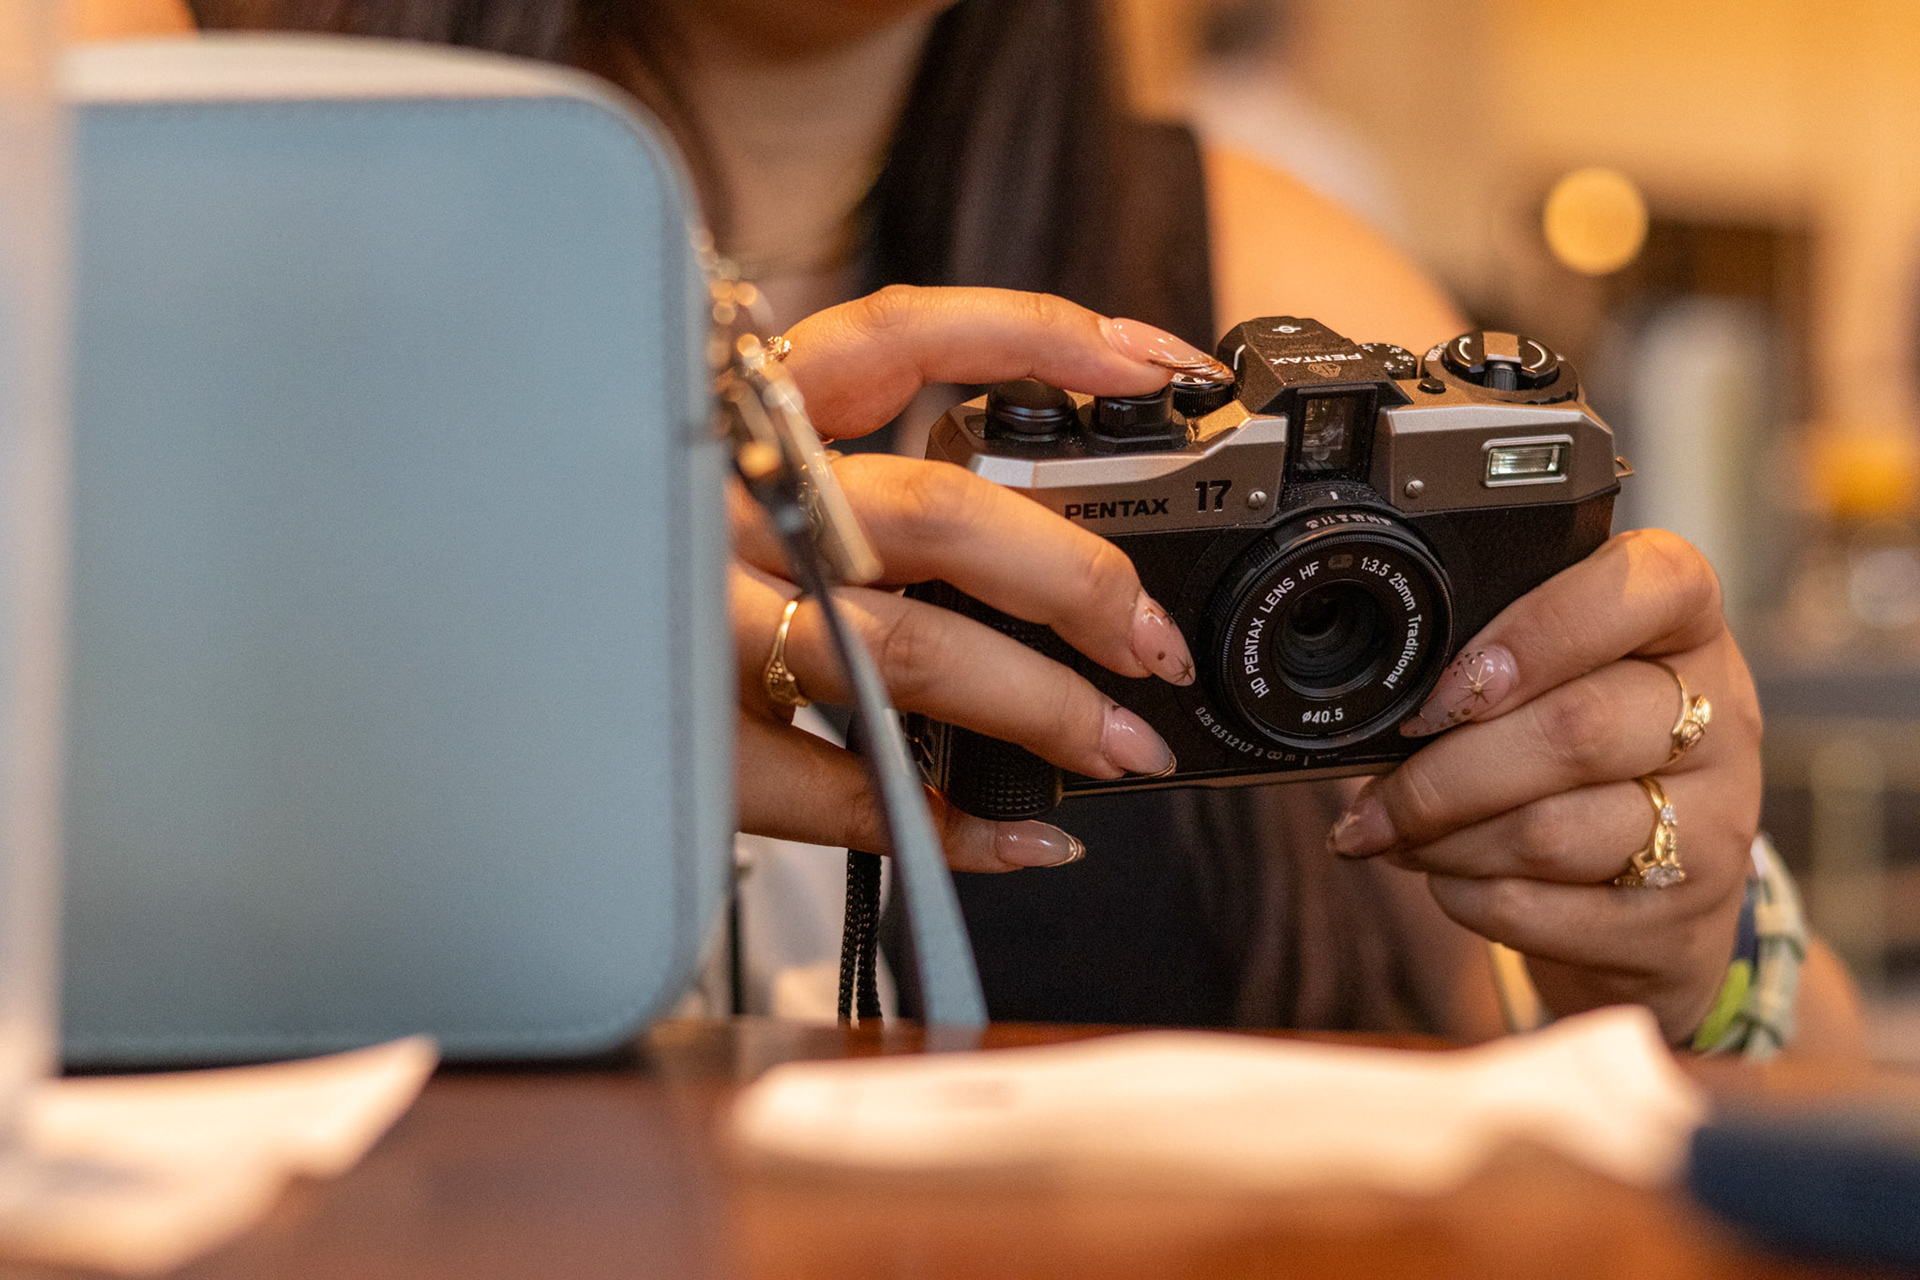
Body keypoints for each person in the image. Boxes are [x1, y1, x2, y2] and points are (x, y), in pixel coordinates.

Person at [85, 0, 1864, 1053]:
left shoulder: (1272, 271)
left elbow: (1775, 1065)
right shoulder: (128, 152)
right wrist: (438, 667)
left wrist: (1685, 944)